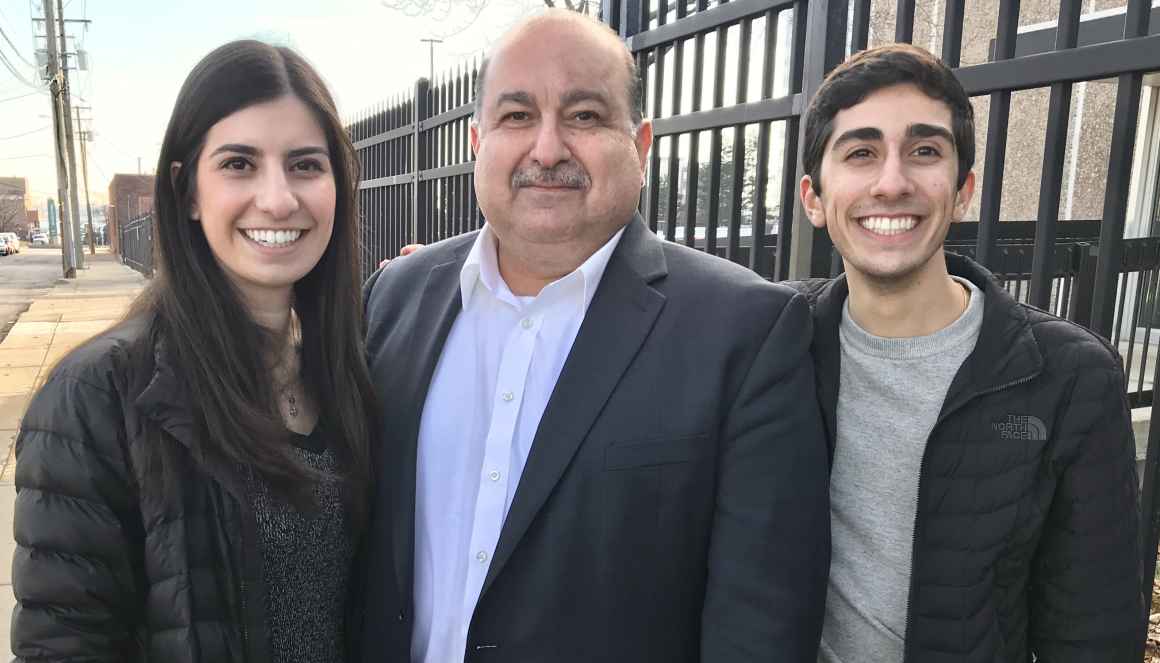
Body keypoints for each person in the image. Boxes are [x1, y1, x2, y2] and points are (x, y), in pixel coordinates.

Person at [354, 9, 829, 663]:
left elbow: (760, 628)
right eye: (517, 116)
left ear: (641, 145)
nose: (547, 149)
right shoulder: (393, 298)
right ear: (476, 142)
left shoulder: (745, 334)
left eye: (583, 116)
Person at [11, 40, 376, 662]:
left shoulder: (347, 368)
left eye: (306, 165)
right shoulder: (100, 395)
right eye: (239, 164)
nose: (279, 198)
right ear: (186, 192)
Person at [792, 43, 1142, 662]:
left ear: (962, 191)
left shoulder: (1068, 375)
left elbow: (1092, 629)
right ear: (814, 198)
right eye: (861, 152)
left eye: (925, 151)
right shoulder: (773, 340)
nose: (893, 181)